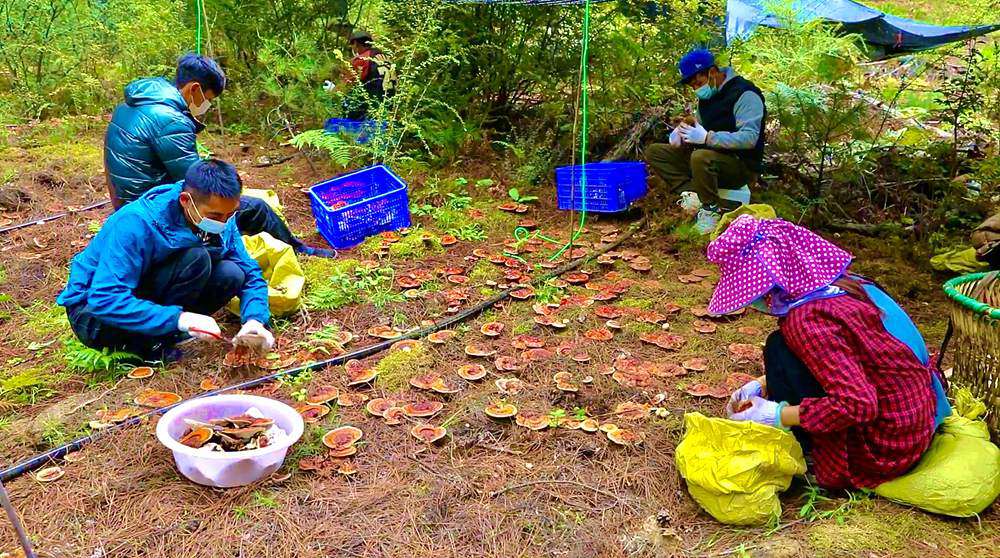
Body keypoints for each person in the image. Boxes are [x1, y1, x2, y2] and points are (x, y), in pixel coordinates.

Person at [708, 215, 949, 490]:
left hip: (886, 449)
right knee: (781, 345)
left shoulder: (807, 318)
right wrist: (764, 384)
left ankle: (810, 452)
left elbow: (858, 405)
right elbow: (861, 356)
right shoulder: (847, 284)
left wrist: (777, 414)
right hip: (917, 420)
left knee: (778, 347)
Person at [104, 53, 335, 257]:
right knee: (257, 209)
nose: (207, 106)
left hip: (129, 205)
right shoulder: (171, 120)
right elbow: (197, 184)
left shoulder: (134, 104)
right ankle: (300, 250)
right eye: (209, 99)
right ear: (194, 89)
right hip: (153, 212)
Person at [58, 159, 276, 362]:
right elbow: (104, 298)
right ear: (185, 201)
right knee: (196, 258)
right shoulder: (136, 223)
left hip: (148, 292)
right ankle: (147, 344)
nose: (224, 222)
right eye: (215, 216)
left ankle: (167, 334)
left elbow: (250, 272)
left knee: (231, 273)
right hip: (94, 317)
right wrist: (180, 319)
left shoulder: (222, 217)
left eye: (230, 214)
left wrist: (255, 320)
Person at [645, 48, 767, 234]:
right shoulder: (707, 99)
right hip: (711, 161)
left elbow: (749, 138)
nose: (696, 89)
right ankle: (692, 195)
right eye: (692, 86)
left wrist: (707, 138)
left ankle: (710, 210)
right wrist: (682, 134)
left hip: (741, 165)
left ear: (712, 72)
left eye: (699, 82)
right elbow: (699, 126)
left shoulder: (745, 94)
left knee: (701, 157)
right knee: (655, 152)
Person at [341, 30, 395, 120]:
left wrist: (332, 90)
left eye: (352, 44)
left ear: (356, 43)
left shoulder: (362, 59)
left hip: (371, 106)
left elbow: (347, 85)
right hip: (390, 104)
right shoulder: (385, 57)